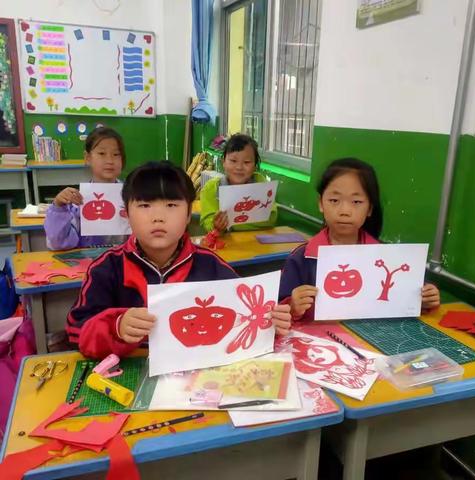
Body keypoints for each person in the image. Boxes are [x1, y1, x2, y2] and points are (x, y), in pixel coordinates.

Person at [67, 161, 291, 358]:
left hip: (195, 380)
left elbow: (244, 319)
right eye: (144, 205)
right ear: (126, 213)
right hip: (126, 374)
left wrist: (270, 322)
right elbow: (76, 332)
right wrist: (116, 327)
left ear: (187, 215)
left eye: (171, 205)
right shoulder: (106, 269)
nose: (158, 217)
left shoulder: (211, 266)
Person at [279, 157, 440, 321]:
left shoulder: (389, 258)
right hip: (318, 343)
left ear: (369, 208)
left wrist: (425, 300)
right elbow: (278, 311)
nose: (345, 211)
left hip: (373, 340)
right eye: (334, 200)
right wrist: (292, 306)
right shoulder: (302, 258)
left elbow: (406, 300)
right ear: (321, 203)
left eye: (356, 201)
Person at [44, 127, 127, 250]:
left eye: (116, 154)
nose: (110, 160)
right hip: (87, 265)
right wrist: (58, 207)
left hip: (125, 264)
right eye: (102, 153)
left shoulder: (133, 196)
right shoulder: (78, 200)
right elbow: (58, 243)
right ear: (88, 158)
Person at [200, 133, 277, 232]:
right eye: (233, 161)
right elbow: (207, 222)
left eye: (247, 162)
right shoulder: (211, 188)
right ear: (223, 162)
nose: (239, 167)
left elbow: (270, 219)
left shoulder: (261, 184)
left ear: (255, 166)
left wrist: (232, 224)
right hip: (225, 244)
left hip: (257, 243)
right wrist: (215, 226)